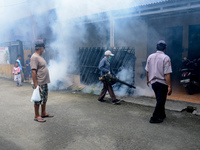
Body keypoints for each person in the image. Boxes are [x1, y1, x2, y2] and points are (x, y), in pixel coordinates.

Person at [145, 40, 172, 123]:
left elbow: (147, 70)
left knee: (160, 99)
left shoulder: (150, 56)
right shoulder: (166, 58)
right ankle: (154, 118)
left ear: (156, 47)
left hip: (153, 82)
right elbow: (167, 74)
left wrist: (147, 80)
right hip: (162, 83)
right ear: (165, 48)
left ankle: (162, 115)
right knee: (160, 100)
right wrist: (170, 86)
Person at [30, 42, 53, 123]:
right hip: (39, 83)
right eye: (44, 48)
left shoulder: (39, 57)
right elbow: (33, 71)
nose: (44, 50)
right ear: (41, 48)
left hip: (44, 82)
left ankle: (43, 113)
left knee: (44, 98)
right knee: (38, 99)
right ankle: (37, 116)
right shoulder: (34, 57)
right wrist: (36, 85)